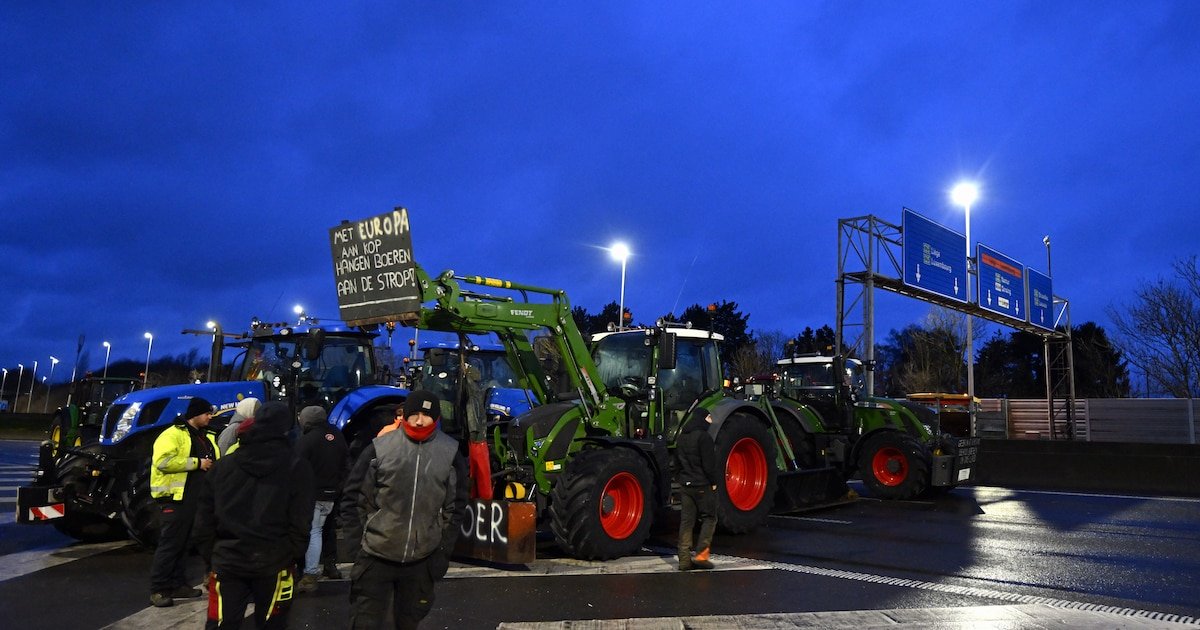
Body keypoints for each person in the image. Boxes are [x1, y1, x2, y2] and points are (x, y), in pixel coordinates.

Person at [344, 390, 466, 629]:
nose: (420, 421)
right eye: (415, 414)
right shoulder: (380, 448)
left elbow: (456, 507)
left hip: (421, 561)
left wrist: (443, 552)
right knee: (365, 623)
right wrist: (357, 543)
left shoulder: (450, 453)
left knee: (409, 622)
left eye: (426, 415)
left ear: (436, 418)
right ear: (404, 415)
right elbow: (354, 497)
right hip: (376, 556)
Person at [195, 401, 315, 629]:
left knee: (221, 624)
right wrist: (293, 554)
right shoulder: (297, 467)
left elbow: (204, 519)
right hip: (275, 561)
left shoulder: (224, 466)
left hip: (228, 561)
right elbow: (301, 520)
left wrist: (212, 556)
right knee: (273, 624)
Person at [149, 396, 220, 607]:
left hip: (194, 500)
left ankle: (178, 584)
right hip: (175, 499)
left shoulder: (205, 436)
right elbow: (162, 462)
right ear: (195, 414)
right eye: (207, 413)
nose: (210, 417)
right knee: (170, 545)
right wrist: (198, 463)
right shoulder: (172, 434)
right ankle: (159, 589)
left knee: (183, 545)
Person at [296, 405, 349, 592]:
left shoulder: (307, 440)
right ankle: (330, 566)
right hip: (333, 493)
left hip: (314, 494)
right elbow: (346, 464)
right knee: (328, 530)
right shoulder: (338, 435)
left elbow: (297, 466)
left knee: (313, 532)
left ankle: (310, 574)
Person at [675, 406, 719, 571]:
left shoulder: (682, 437)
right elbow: (709, 464)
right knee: (710, 518)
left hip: (686, 485)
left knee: (686, 522)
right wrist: (713, 481)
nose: (711, 421)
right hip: (702, 484)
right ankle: (701, 555)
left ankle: (684, 560)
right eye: (709, 418)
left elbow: (677, 464)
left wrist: (681, 479)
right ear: (703, 418)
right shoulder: (704, 437)